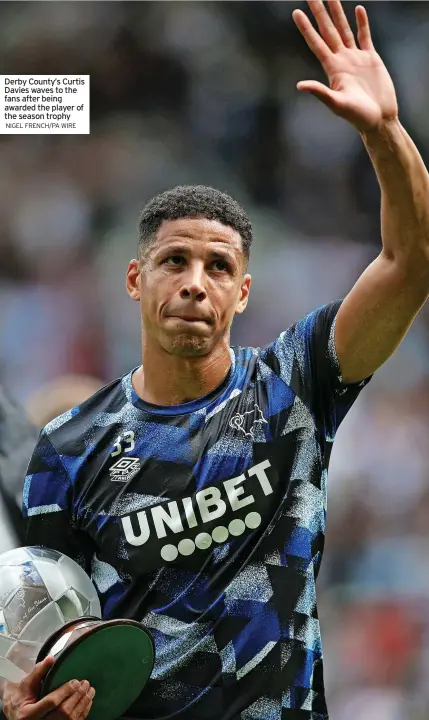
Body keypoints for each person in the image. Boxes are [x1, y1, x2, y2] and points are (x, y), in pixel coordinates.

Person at [2, 2, 429, 719]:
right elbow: (46, 641)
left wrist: (384, 132)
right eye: (174, 261)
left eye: (217, 266)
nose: (195, 282)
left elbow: (409, 262)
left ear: (242, 292)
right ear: (135, 280)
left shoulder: (293, 384)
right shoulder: (65, 452)